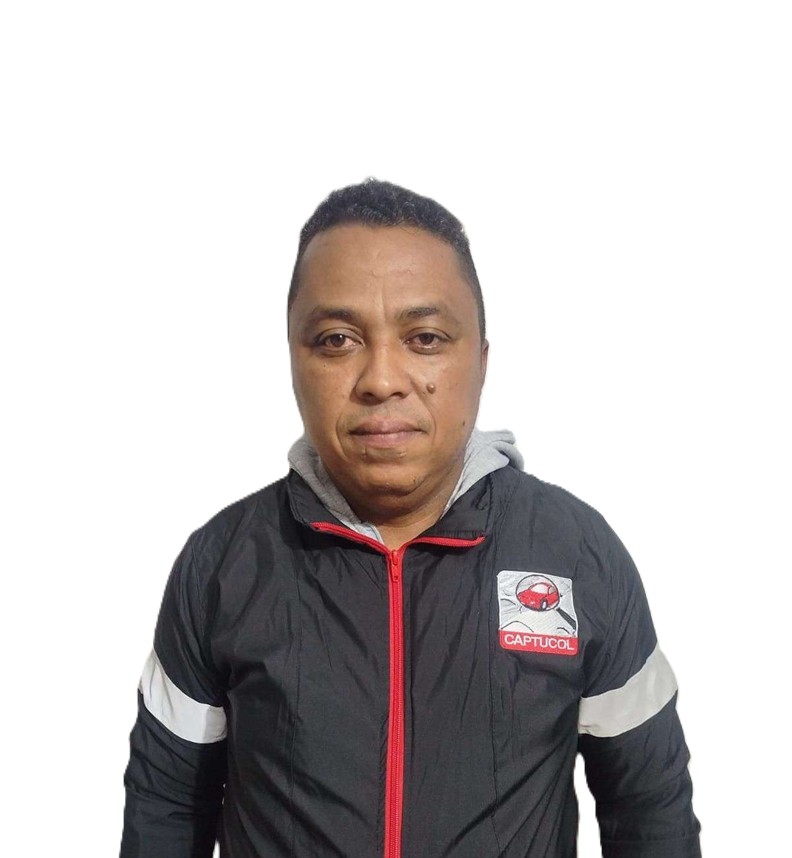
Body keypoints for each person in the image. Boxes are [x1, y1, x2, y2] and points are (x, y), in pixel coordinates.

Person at [120, 179, 702, 857]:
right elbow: (166, 808)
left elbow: (648, 811)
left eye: (425, 338)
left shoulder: (577, 553)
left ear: (480, 360)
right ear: (293, 359)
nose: (381, 379)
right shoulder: (223, 563)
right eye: (336, 339)